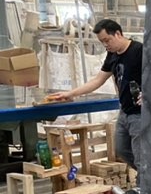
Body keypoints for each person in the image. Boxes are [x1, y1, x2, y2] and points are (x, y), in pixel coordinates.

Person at [49, 19, 143, 177]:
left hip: (140, 113)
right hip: (125, 111)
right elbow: (98, 80)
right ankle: (150, 175)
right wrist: (70, 94)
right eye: (102, 42)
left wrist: (150, 94)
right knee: (122, 150)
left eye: (107, 40)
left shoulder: (139, 51)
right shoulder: (112, 55)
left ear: (118, 34)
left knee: (141, 156)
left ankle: (146, 185)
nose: (106, 45)